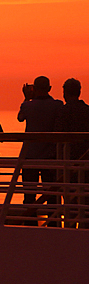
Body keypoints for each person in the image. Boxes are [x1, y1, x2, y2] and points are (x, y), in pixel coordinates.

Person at [17, 76, 64, 221]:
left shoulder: (28, 106)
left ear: (34, 89)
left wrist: (26, 98)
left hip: (30, 155)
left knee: (29, 194)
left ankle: (29, 223)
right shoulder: (57, 105)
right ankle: (53, 223)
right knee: (51, 194)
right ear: (49, 89)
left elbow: (20, 118)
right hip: (50, 155)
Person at [54, 78, 89, 227]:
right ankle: (83, 226)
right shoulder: (87, 110)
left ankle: (69, 225)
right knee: (85, 197)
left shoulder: (63, 111)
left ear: (65, 92)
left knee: (69, 197)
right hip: (86, 160)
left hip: (68, 160)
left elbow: (57, 132)